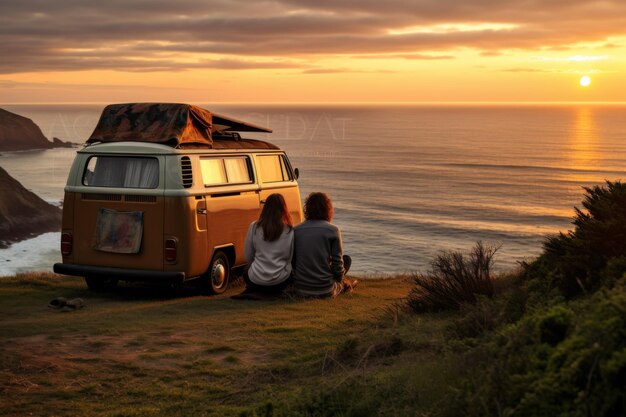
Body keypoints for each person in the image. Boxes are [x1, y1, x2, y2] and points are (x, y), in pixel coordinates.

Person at [292, 192, 356, 298]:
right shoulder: (333, 230)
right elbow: (337, 265)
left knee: (345, 260)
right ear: (328, 209)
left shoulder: (296, 230)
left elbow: (293, 261)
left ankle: (345, 284)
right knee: (346, 260)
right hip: (325, 289)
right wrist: (339, 280)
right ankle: (345, 285)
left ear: (307, 209)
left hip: (301, 289)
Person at [243, 193, 294, 294]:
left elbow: (248, 256)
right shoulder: (289, 230)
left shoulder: (254, 227)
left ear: (265, 208)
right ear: (284, 209)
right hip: (281, 282)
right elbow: (289, 259)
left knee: (246, 270)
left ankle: (254, 289)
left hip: (256, 280)